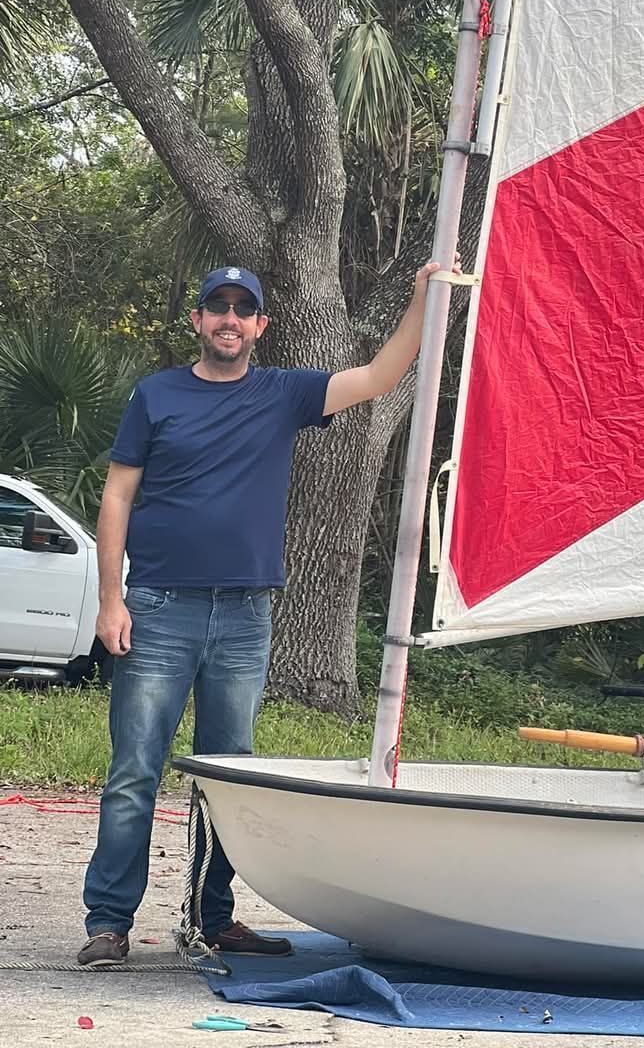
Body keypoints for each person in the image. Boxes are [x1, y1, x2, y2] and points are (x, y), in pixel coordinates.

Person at [78, 260, 452, 966]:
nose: (228, 319)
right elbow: (117, 498)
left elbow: (378, 376)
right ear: (197, 320)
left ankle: (211, 916)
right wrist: (111, 600)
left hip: (245, 616)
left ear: (259, 326)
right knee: (134, 769)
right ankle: (108, 924)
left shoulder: (285, 393)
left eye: (241, 309)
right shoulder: (155, 396)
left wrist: (421, 297)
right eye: (215, 307)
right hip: (158, 610)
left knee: (229, 776)